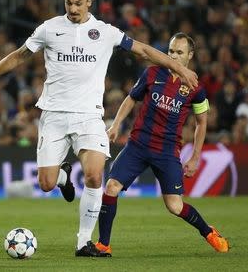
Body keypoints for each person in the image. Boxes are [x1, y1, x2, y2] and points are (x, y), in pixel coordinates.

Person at [0, 0, 198, 257]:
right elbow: (19, 56)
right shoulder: (50, 29)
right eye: (68, 3)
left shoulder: (105, 32)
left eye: (78, 3)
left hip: (89, 116)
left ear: (90, 2)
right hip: (54, 114)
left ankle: (83, 243)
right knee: (46, 183)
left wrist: (177, 67)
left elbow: (144, 50)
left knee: (94, 174)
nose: (73, 8)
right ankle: (63, 177)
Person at [95, 32, 229, 256]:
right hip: (138, 145)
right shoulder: (152, 73)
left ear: (190, 55)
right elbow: (131, 99)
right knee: (111, 187)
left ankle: (208, 232)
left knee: (175, 206)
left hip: (167, 151)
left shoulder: (195, 87)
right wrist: (116, 124)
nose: (174, 56)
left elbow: (201, 123)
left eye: (179, 52)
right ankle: (103, 244)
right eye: (171, 51)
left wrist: (195, 156)